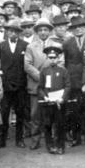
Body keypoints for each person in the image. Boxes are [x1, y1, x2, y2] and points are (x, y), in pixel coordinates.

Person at [0, 19, 30, 148]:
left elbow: (29, 63)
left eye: (15, 31)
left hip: (20, 84)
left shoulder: (25, 45)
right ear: (7, 32)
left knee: (20, 112)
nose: (13, 33)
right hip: (5, 84)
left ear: (19, 33)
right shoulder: (0, 46)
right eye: (10, 31)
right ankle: (1, 140)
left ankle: (19, 139)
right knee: (4, 112)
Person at [62, 16, 85, 147]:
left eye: (80, 27)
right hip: (72, 80)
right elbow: (65, 62)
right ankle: (76, 137)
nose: (78, 30)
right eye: (74, 28)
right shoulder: (67, 43)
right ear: (71, 30)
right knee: (73, 110)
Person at [23, 18, 57, 150]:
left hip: (52, 85)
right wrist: (41, 77)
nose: (43, 32)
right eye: (40, 30)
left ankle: (51, 140)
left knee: (51, 114)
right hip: (36, 84)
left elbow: (60, 63)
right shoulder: (31, 47)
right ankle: (35, 139)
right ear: (37, 32)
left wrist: (51, 78)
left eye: (46, 30)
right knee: (35, 114)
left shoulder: (56, 45)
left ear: (49, 31)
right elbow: (27, 65)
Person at [37, 42, 70, 154]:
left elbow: (68, 86)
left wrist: (63, 98)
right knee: (47, 124)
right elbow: (40, 87)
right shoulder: (44, 71)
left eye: (54, 58)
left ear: (58, 58)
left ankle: (60, 146)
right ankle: (50, 145)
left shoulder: (63, 71)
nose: (52, 60)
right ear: (47, 58)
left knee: (60, 124)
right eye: (50, 58)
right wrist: (44, 97)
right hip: (48, 103)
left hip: (59, 102)